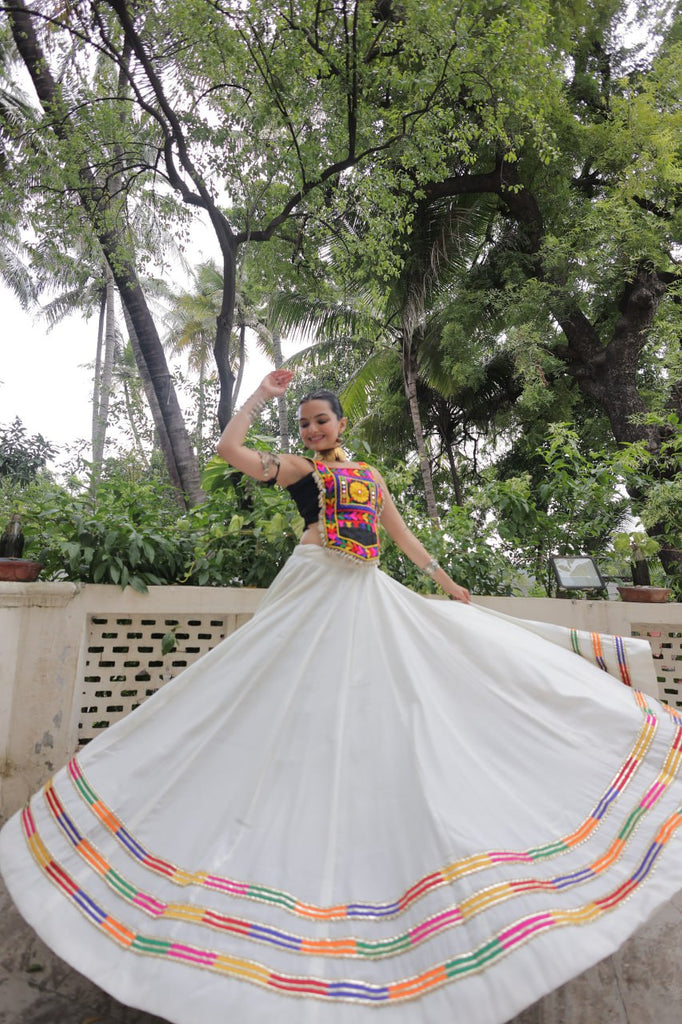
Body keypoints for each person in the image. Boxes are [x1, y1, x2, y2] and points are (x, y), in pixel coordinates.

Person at [1, 371, 681, 1024]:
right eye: (304, 423)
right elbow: (229, 452)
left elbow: (400, 536)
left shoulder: (371, 476)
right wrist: (260, 397)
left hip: (362, 594)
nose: (313, 428)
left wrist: (445, 582)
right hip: (311, 587)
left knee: (381, 704)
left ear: (342, 423)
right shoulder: (299, 470)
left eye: (321, 419)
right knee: (265, 702)